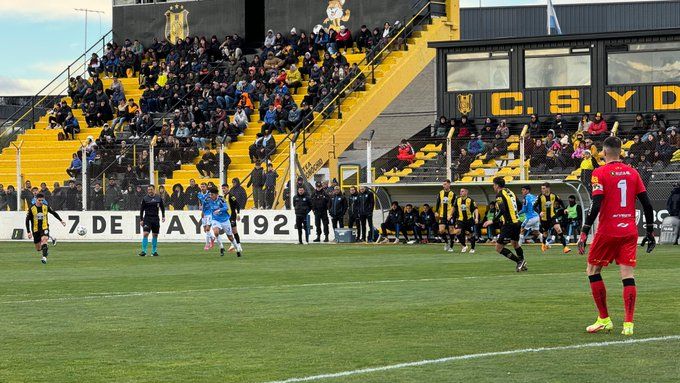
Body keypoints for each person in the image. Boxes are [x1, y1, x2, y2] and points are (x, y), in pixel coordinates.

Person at [577, 136, 656, 336]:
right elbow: (647, 204)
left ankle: (604, 318)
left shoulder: (599, 172)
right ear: (620, 151)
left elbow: (596, 203)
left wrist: (585, 231)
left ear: (603, 153)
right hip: (629, 230)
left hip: (607, 230)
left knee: (592, 270)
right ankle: (628, 325)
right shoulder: (632, 172)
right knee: (627, 275)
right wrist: (649, 231)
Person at [483, 177, 527, 272]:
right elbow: (519, 205)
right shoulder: (510, 192)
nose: (493, 186)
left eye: (493, 185)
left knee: (498, 248)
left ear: (497, 185)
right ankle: (523, 263)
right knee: (515, 244)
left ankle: (519, 261)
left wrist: (492, 220)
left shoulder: (499, 195)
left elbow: (502, 210)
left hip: (508, 224)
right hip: (517, 222)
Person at [25, 193, 65, 264]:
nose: (41, 202)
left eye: (42, 200)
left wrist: (61, 220)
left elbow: (53, 213)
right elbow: (27, 220)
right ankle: (49, 244)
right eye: (39, 200)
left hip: (45, 227)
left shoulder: (46, 207)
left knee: (44, 239)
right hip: (35, 229)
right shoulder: (32, 208)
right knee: (38, 248)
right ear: (36, 199)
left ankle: (44, 258)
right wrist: (28, 231)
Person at [534, 182, 571, 254]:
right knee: (545, 233)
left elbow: (560, 202)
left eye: (543, 188)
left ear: (548, 188)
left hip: (553, 216)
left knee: (558, 229)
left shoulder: (553, 195)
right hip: (544, 219)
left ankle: (565, 247)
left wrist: (564, 209)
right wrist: (539, 212)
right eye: (541, 188)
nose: (542, 190)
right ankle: (544, 244)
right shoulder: (540, 197)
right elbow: (534, 207)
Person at [206, 187, 242, 257]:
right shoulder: (209, 199)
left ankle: (237, 248)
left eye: (212, 195)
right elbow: (205, 204)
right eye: (210, 195)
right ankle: (221, 248)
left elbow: (226, 208)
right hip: (215, 219)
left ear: (216, 194)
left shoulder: (222, 199)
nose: (211, 196)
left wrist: (219, 210)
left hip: (225, 219)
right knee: (216, 232)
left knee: (230, 237)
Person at [139, 185, 165, 257]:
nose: (149, 191)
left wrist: (163, 216)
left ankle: (154, 252)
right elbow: (142, 210)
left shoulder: (158, 198)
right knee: (145, 233)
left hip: (156, 218)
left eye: (151, 189)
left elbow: (162, 208)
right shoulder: (145, 199)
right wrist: (141, 219)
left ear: (154, 190)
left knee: (155, 235)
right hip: (147, 218)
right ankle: (144, 251)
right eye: (148, 190)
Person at [452, 188, 479, 253]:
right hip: (460, 220)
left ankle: (472, 248)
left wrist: (476, 218)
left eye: (462, 191)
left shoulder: (470, 200)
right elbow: (454, 208)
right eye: (460, 191)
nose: (460, 192)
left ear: (466, 192)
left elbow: (475, 209)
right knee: (457, 232)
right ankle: (464, 245)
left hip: (469, 220)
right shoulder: (457, 200)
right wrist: (450, 215)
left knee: (471, 234)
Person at [435, 179, 456, 252]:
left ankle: (451, 246)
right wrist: (436, 211)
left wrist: (451, 215)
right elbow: (438, 203)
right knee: (441, 230)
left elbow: (454, 206)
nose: (444, 185)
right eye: (443, 184)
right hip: (442, 215)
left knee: (451, 231)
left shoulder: (452, 194)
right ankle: (446, 242)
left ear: (449, 185)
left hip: (449, 215)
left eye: (445, 184)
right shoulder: (440, 193)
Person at [222, 183, 242, 253]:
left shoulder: (231, 195)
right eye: (222, 188)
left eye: (224, 188)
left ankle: (238, 245)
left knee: (234, 231)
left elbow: (237, 204)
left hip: (232, 216)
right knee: (230, 231)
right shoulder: (224, 196)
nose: (223, 190)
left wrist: (238, 214)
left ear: (228, 188)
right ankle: (234, 245)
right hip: (227, 217)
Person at [197, 182, 214, 250]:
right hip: (204, 213)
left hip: (210, 212)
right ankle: (212, 238)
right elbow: (200, 202)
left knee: (207, 229)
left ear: (206, 187)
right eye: (201, 186)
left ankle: (207, 244)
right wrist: (201, 208)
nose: (202, 188)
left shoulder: (209, 194)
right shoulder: (199, 194)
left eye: (203, 186)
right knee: (205, 230)